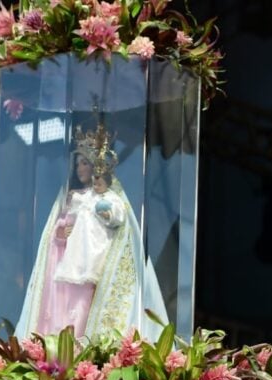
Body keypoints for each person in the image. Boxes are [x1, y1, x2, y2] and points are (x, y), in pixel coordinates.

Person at [16, 124, 168, 341]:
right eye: (77, 163)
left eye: (85, 163)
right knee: (67, 305)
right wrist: (60, 234)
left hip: (94, 261)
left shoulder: (107, 197)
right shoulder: (73, 197)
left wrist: (105, 212)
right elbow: (60, 226)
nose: (80, 168)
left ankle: (82, 345)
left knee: (85, 307)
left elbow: (118, 218)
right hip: (72, 262)